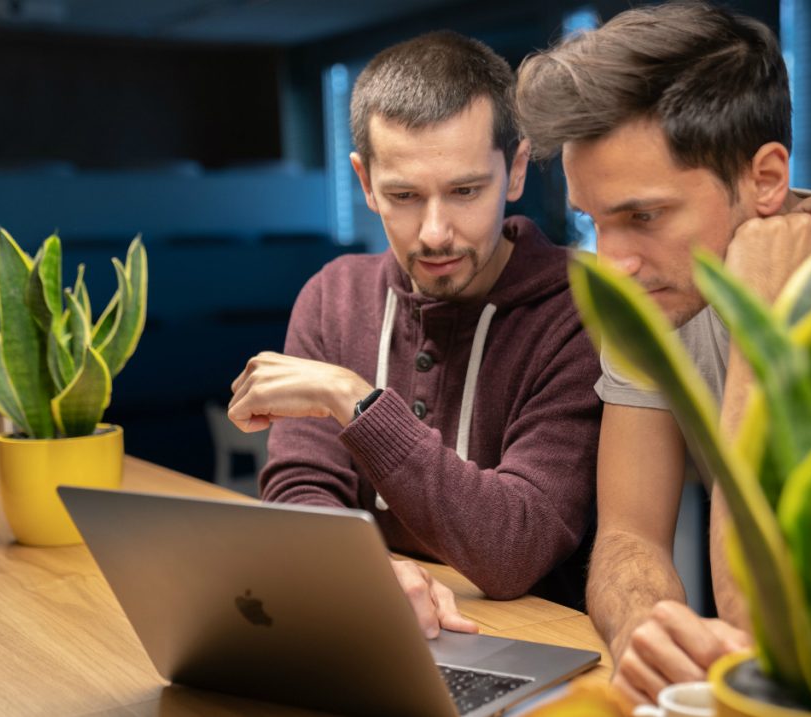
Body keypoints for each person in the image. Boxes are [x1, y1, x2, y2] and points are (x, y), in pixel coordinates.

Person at [515, 0, 811, 705]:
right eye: (593, 221)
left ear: (765, 179)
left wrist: (759, 339)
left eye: (643, 216)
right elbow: (629, 535)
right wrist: (644, 627)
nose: (617, 262)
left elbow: (775, 626)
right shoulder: (655, 289)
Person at [228, 31, 601, 637]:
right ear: (366, 182)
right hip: (367, 622)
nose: (433, 233)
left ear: (517, 170)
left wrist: (353, 400)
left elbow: (514, 548)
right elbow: (301, 486)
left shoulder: (580, 311)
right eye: (403, 195)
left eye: (464, 191)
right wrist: (362, 569)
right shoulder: (333, 297)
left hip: (532, 644)